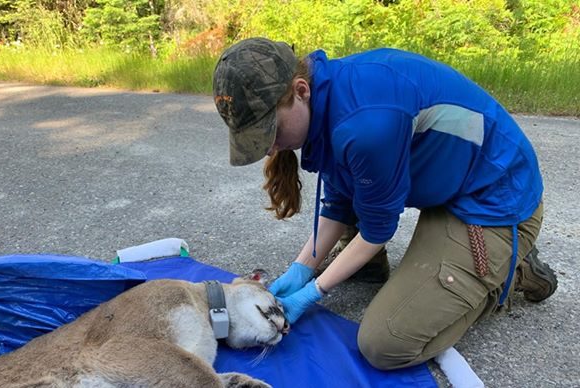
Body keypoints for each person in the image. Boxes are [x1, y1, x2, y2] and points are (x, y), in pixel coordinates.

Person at [212, 37, 557, 370]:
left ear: (300, 91)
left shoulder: (366, 127)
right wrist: (300, 268)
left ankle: (509, 273)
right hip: (447, 182)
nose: (269, 148)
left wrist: (313, 291)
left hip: (491, 201)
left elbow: (378, 230)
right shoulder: (327, 96)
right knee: (360, 203)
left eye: (270, 131)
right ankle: (368, 268)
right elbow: (338, 203)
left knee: (386, 344)